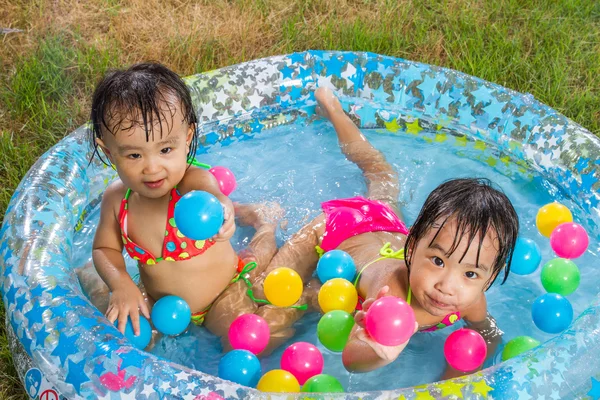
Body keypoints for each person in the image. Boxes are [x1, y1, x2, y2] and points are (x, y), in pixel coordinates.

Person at [245, 87, 519, 375]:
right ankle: (266, 219)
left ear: (490, 278)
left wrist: (451, 383)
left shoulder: (470, 298)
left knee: (381, 172)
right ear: (412, 247)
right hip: (335, 229)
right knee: (266, 292)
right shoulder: (392, 293)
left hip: (386, 224)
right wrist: (380, 351)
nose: (447, 286)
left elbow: (488, 335)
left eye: (470, 274)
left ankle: (333, 110)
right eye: (438, 261)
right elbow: (353, 358)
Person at [77, 63, 313, 353]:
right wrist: (121, 284)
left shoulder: (190, 181)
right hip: (160, 303)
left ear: (187, 138)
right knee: (128, 336)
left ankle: (266, 222)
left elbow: (213, 195)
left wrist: (226, 210)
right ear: (109, 152)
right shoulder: (116, 201)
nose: (152, 168)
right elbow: (104, 249)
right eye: (135, 155)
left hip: (223, 294)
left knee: (252, 343)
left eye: (165, 150)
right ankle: (93, 279)